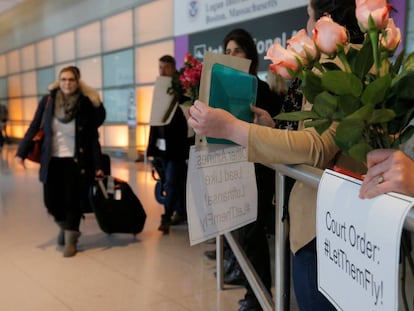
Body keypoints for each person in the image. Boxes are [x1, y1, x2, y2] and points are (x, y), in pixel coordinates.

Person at [188, 0, 364, 310]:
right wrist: (272, 125)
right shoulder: (344, 65)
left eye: (308, 17)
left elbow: (317, 147)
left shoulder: (340, 67)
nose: (306, 28)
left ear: (326, 20)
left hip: (324, 221)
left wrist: (232, 128)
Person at [213, 28, 284, 311]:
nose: (231, 56)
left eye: (237, 51)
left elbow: (274, 129)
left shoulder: (262, 89)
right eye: (227, 51)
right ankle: (251, 290)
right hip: (228, 167)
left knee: (253, 233)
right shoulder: (219, 90)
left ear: (250, 56)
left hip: (256, 171)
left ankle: (258, 296)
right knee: (239, 232)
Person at [15, 66, 105, 257]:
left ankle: (71, 239)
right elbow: (34, 126)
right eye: (63, 79)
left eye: (71, 80)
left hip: (76, 161)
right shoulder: (48, 101)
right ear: (59, 81)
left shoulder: (85, 103)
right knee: (51, 202)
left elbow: (93, 136)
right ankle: (65, 227)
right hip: (52, 160)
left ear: (78, 82)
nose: (67, 83)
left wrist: (98, 166)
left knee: (73, 201)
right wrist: (21, 152)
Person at [147, 55, 191, 234]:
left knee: (172, 182)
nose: (162, 71)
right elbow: (156, 120)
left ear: (173, 68)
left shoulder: (181, 88)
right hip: (162, 147)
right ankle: (180, 212)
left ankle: (166, 217)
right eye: (160, 67)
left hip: (177, 146)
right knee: (173, 181)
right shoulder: (159, 89)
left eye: (165, 67)